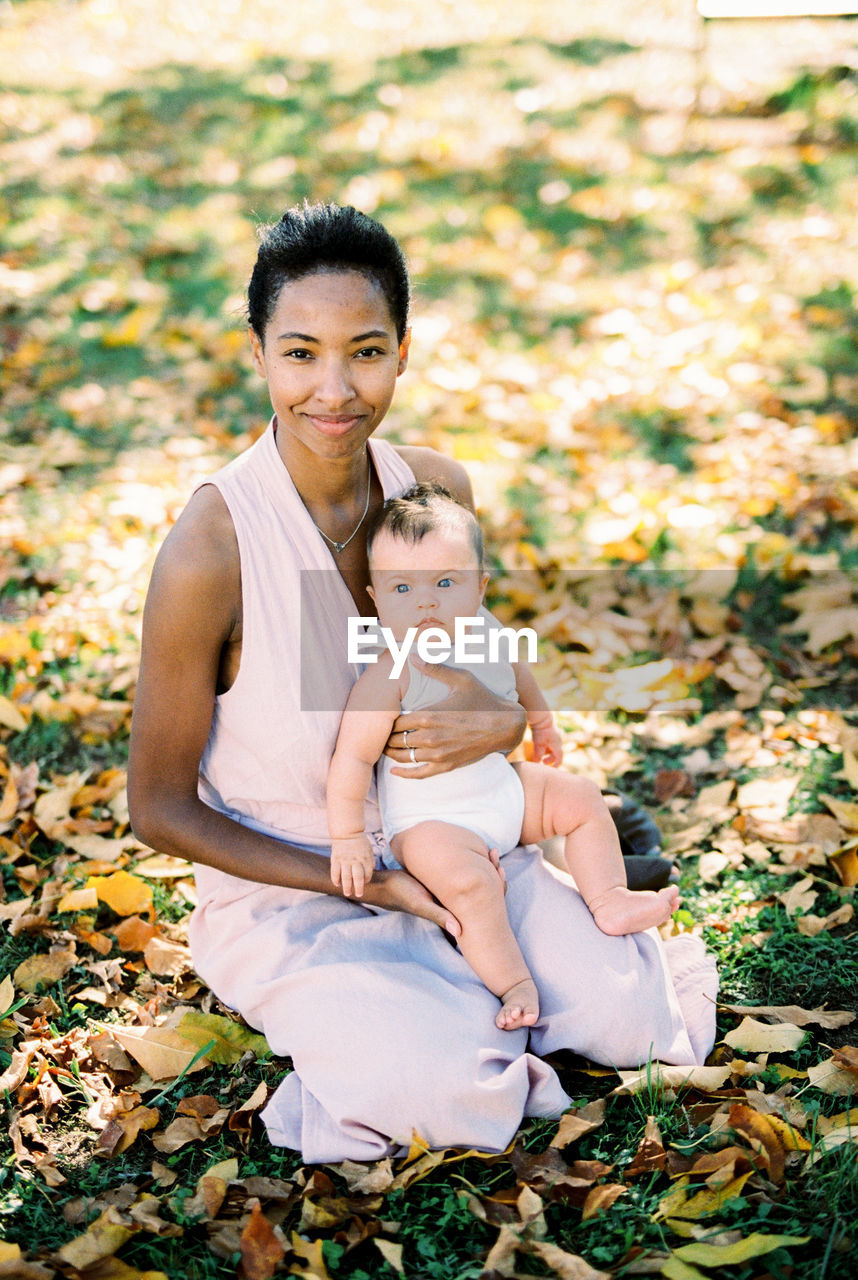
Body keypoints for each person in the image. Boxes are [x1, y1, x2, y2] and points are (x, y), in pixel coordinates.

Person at [128, 201, 718, 1163]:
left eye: (365, 351)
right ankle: (407, 1014)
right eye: (300, 352)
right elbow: (156, 807)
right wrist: (370, 883)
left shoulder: (433, 491)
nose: (334, 389)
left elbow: (480, 667)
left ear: (404, 350)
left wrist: (491, 725)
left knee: (636, 1023)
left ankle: (543, 935)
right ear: (258, 352)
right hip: (308, 888)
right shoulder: (211, 549)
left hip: (468, 838)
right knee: (441, 1097)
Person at [328, 483, 679, 1032]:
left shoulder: (487, 632)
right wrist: (347, 836)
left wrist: (540, 722)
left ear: (480, 588)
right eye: (402, 588)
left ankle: (610, 897)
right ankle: (512, 981)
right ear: (375, 597)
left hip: (503, 792)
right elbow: (351, 761)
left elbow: (518, 675)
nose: (425, 603)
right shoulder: (389, 674)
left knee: (582, 798)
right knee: (471, 887)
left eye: (446, 583)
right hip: (430, 824)